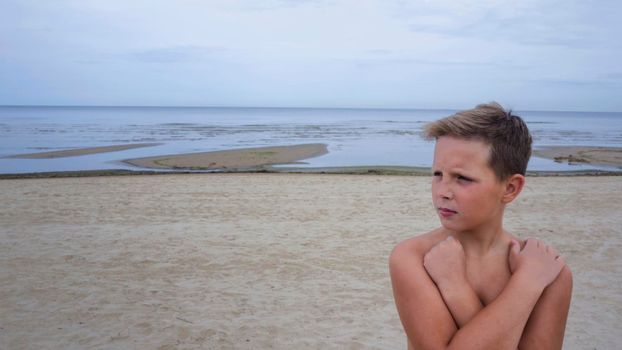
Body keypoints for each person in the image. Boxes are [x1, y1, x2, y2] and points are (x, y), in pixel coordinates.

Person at [389, 102, 572, 350]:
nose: (443, 192)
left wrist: (456, 288)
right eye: (437, 174)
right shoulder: (412, 257)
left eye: (462, 178)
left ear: (510, 188)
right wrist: (527, 284)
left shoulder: (550, 273)